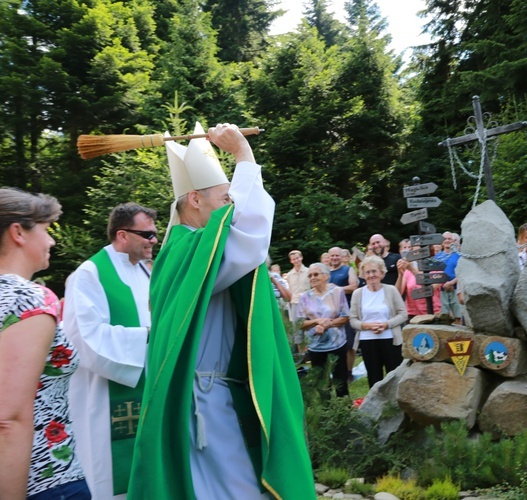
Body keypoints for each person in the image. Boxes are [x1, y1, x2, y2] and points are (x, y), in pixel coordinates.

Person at [128, 123, 314, 499]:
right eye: (226, 197)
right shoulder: (188, 250)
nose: (231, 206)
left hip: (210, 395)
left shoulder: (186, 249)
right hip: (204, 404)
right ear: (195, 199)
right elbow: (249, 239)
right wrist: (244, 157)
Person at [0, 188, 89, 499]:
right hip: (42, 480)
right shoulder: (28, 298)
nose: (51, 241)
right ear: (18, 233)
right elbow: (8, 420)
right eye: (45, 229)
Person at [64, 203, 156, 499]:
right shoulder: (89, 274)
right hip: (108, 395)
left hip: (149, 387)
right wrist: (151, 338)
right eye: (148, 234)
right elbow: (87, 340)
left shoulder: (145, 272)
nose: (154, 240)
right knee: (113, 478)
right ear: (122, 235)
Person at [349, 256, 408, 388]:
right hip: (367, 340)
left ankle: (395, 405)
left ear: (382, 273)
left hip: (390, 339)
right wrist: (366, 326)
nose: (371, 275)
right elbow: (352, 320)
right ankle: (375, 407)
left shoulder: (391, 290)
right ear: (363, 275)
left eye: (374, 271)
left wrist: (386, 324)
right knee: (374, 376)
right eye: (367, 272)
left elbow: (403, 314)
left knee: (394, 375)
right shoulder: (358, 294)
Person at [296, 262, 350, 397]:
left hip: (337, 344)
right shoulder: (305, 297)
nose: (312, 278)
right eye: (310, 276)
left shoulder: (338, 292)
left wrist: (326, 324)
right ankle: (327, 415)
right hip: (316, 347)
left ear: (326, 276)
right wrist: (317, 321)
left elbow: (345, 317)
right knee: (322, 386)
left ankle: (345, 413)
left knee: (341, 383)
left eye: (316, 274)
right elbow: (300, 323)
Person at [327, 246, 359, 382]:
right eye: (332, 256)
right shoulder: (325, 272)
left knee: (349, 345)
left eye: (337, 255)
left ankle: (349, 372)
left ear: (341, 256)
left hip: (346, 312)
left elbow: (354, 286)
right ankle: (335, 373)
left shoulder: (347, 269)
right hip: (329, 314)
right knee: (331, 344)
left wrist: (337, 289)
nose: (334, 258)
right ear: (328, 257)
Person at [286, 250, 310, 353]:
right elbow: (289, 290)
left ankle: (311, 351)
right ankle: (302, 354)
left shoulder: (309, 271)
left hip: (308, 302)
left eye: (297, 258)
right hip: (295, 303)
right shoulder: (289, 275)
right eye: (293, 259)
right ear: (291, 261)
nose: (296, 260)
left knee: (309, 326)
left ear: (301, 258)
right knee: (298, 329)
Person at [435, 231, 462, 324]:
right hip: (441, 289)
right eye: (445, 239)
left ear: (453, 241)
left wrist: (451, 283)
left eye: (449, 239)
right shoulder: (437, 257)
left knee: (458, 316)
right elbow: (434, 274)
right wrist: (443, 283)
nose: (447, 241)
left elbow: (462, 273)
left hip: (455, 288)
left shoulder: (459, 256)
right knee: (444, 317)